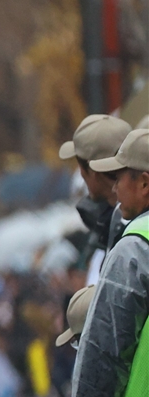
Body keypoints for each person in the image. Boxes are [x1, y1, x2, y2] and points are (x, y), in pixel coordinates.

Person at [66, 128, 149, 397]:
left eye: (121, 177)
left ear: (144, 183)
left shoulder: (136, 247)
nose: (114, 188)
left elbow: (105, 347)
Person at [59, 114, 132, 282]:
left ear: (92, 172)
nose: (81, 174)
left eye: (80, 166)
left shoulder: (120, 222)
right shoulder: (110, 222)